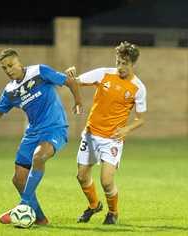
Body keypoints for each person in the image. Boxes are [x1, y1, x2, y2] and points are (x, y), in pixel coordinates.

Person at [0, 48, 82, 225]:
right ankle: (40, 219)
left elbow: (69, 81)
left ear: (19, 63)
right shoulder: (10, 91)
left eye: (10, 65)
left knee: (39, 157)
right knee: (18, 179)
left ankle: (23, 205)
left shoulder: (39, 71)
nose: (8, 70)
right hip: (32, 134)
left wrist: (78, 102)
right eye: (4, 68)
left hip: (55, 128)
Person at [74, 41, 147, 224]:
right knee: (82, 176)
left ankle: (113, 213)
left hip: (112, 139)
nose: (120, 67)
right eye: (118, 62)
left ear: (132, 64)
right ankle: (93, 206)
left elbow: (141, 119)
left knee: (106, 181)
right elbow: (76, 82)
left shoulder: (138, 88)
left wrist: (127, 129)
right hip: (90, 134)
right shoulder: (104, 73)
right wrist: (70, 74)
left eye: (125, 64)